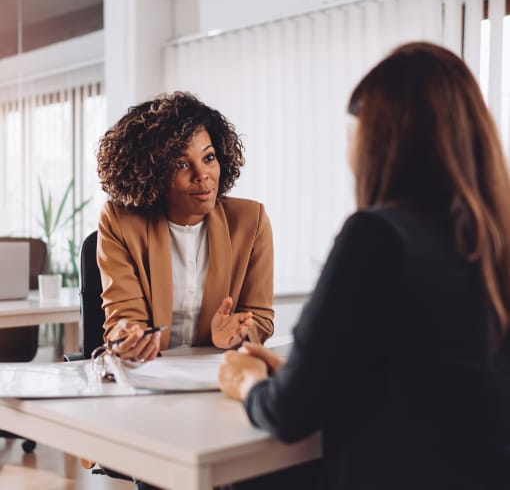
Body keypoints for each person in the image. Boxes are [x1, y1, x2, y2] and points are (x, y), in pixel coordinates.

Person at [219, 41, 510, 490]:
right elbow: (425, 376)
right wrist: (300, 373)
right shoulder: (492, 240)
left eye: (352, 129)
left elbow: (289, 413)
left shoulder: (378, 237)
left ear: (381, 138)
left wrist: (249, 383)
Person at [95, 91, 274, 361]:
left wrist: (238, 333)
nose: (202, 175)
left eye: (209, 158)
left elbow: (260, 318)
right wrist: (128, 335)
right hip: (149, 375)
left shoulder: (250, 221)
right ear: (151, 172)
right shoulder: (120, 222)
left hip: (215, 377)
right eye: (181, 164)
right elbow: (122, 318)